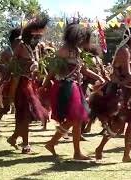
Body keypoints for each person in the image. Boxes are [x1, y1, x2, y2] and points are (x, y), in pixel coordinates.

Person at [43, 24, 105, 160]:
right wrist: (45, 84)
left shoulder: (77, 51)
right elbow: (53, 70)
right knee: (75, 118)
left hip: (75, 87)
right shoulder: (63, 50)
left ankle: (74, 152)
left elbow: (83, 70)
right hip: (65, 87)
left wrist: (99, 77)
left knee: (77, 120)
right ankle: (53, 143)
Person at [92, 27, 131, 162]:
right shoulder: (124, 50)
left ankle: (126, 155)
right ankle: (100, 148)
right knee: (118, 124)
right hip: (120, 92)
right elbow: (127, 73)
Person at [7, 18, 49, 154]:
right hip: (21, 85)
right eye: (36, 36)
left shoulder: (35, 49)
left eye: (39, 36)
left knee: (28, 116)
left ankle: (14, 138)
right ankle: (25, 144)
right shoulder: (21, 46)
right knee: (24, 115)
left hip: (31, 84)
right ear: (29, 35)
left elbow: (36, 68)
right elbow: (13, 66)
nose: (38, 39)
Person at [0, 28, 21, 134]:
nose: (21, 42)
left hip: (18, 81)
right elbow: (0, 67)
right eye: (19, 40)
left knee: (20, 105)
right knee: (5, 107)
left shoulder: (20, 51)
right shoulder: (7, 52)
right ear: (14, 40)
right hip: (8, 82)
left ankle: (18, 128)